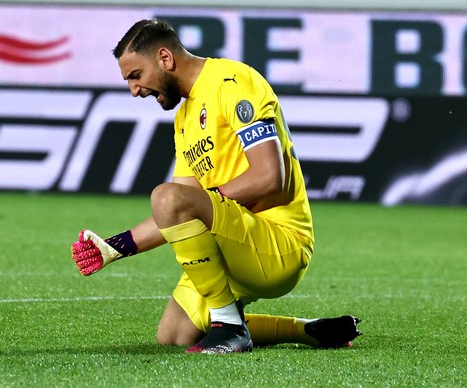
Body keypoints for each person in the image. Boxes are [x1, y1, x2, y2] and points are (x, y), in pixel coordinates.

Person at [71, 19, 361, 354]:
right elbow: (174, 212)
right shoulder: (184, 119)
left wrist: (205, 204)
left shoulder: (232, 83)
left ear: (165, 58)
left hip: (279, 244)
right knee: (174, 335)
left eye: (136, 76)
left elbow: (270, 178)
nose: (134, 90)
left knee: (167, 195)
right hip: (234, 240)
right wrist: (116, 246)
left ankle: (231, 326)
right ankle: (308, 331)